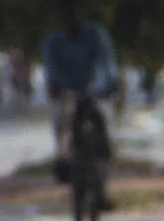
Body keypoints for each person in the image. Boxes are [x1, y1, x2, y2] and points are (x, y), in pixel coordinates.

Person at [42, 0, 117, 207]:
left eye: (74, 12)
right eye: (66, 14)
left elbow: (106, 64)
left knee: (104, 129)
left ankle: (100, 186)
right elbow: (51, 71)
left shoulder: (96, 35)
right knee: (62, 120)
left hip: (95, 91)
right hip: (69, 93)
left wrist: (104, 84)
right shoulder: (54, 43)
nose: (71, 18)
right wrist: (57, 87)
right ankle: (63, 160)